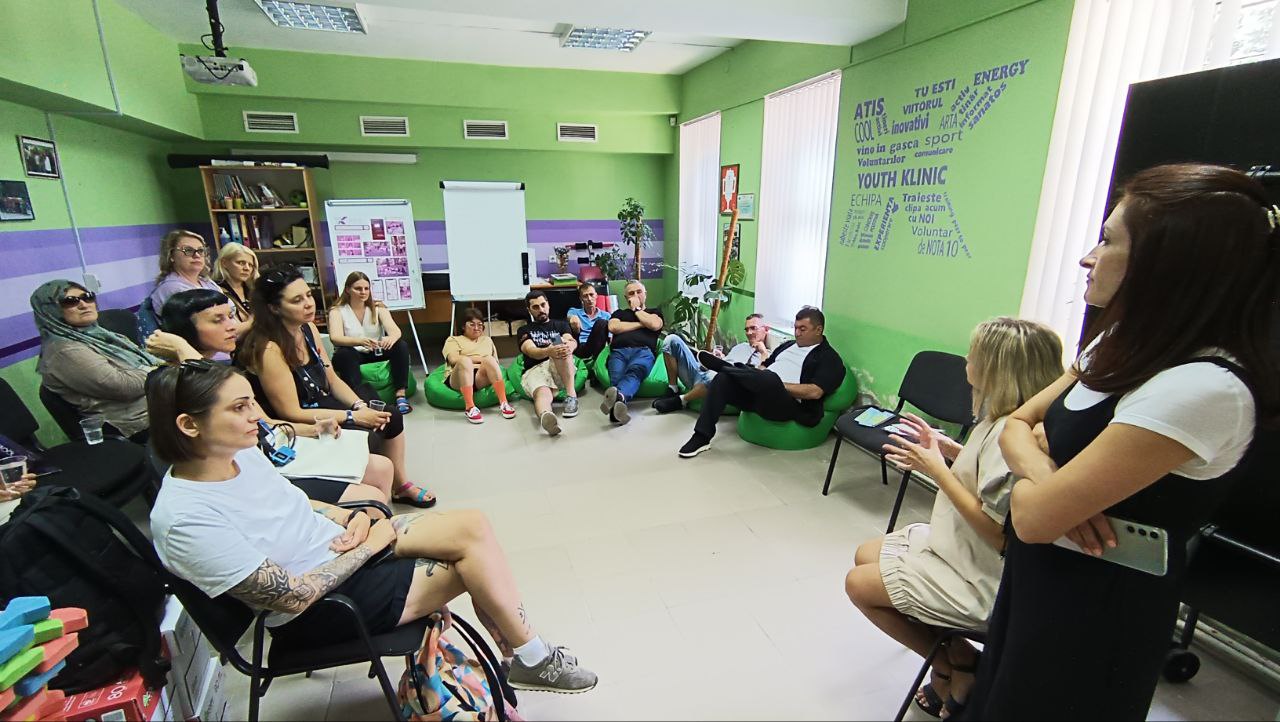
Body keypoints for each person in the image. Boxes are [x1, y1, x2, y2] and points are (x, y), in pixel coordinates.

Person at [956, 164, 1278, 720]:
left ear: (1166, 266)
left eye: (1107, 241)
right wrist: (1054, 481)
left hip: (1097, 609)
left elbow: (1031, 517)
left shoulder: (1203, 387)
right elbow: (1015, 423)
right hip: (1040, 578)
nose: (1088, 258)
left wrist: (1042, 482)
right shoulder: (1117, 342)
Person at [145, 362, 598, 693]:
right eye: (240, 407)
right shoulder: (185, 518)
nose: (257, 416)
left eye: (252, 402)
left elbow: (293, 502)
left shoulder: (238, 453)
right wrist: (369, 543)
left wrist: (352, 517)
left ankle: (524, 654)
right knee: (471, 564)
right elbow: (290, 598)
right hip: (317, 611)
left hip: (340, 551)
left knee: (472, 526)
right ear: (189, 425)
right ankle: (531, 656)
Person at [843, 318, 1063, 718]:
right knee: (864, 554)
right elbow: (985, 480)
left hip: (983, 576)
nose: (966, 361)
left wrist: (935, 469)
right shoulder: (999, 418)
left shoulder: (1014, 434)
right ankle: (961, 655)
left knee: (858, 585)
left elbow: (1000, 536)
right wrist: (947, 450)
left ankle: (949, 668)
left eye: (973, 356)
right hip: (959, 545)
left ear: (997, 369)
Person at [147, 289, 394, 510]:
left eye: (230, 316)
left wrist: (312, 429)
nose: (232, 326)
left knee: (382, 468)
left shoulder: (220, 369)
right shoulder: (170, 382)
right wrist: (181, 347)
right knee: (371, 496)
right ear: (186, 330)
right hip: (248, 477)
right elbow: (208, 389)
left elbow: (263, 422)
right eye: (217, 320)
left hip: (271, 452)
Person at [236, 265, 436, 508]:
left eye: (308, 295)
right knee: (369, 420)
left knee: (389, 414)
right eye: (297, 300)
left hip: (320, 399)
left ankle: (400, 485)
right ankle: (367, 482)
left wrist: (359, 406)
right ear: (274, 308)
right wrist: (354, 416)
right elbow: (291, 412)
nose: (308, 304)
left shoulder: (307, 329)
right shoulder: (270, 349)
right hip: (302, 417)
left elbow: (331, 378)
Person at [678, 306, 845, 458]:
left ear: (818, 330)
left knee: (770, 378)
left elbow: (814, 392)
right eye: (795, 328)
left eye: (803, 329)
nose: (797, 333)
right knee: (722, 379)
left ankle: (727, 367)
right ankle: (701, 437)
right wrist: (758, 376)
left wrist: (777, 384)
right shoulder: (788, 345)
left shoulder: (829, 358)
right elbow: (764, 365)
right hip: (759, 394)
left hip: (786, 405)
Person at [32, 280, 158, 442]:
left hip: (157, 404)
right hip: (137, 424)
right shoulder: (64, 351)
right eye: (70, 301)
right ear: (49, 310)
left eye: (88, 297)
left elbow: (149, 360)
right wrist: (159, 370)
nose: (84, 304)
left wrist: (157, 367)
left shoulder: (99, 334)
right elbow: (123, 386)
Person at [327, 272, 414, 415]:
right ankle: (359, 400)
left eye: (366, 288)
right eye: (358, 289)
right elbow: (335, 338)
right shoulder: (337, 311)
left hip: (375, 351)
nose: (363, 292)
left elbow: (395, 331)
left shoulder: (378, 307)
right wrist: (360, 341)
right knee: (344, 354)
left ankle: (400, 395)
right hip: (353, 353)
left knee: (401, 345)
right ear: (348, 289)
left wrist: (390, 339)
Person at [653, 313, 772, 414]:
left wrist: (763, 353)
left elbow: (761, 378)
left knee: (719, 375)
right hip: (702, 373)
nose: (749, 333)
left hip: (718, 382)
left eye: (753, 328)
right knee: (671, 340)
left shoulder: (769, 356)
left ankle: (681, 401)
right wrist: (720, 357)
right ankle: (673, 389)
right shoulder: (740, 346)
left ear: (766, 329)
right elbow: (728, 361)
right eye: (747, 329)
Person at [600, 280, 664, 425]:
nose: (635, 295)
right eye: (631, 293)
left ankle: (616, 403)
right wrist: (642, 324)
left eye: (639, 292)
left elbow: (654, 324)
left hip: (643, 351)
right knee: (616, 377)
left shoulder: (654, 312)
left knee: (635, 371)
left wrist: (637, 310)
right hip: (619, 351)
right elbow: (614, 327)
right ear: (626, 298)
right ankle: (619, 403)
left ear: (645, 294)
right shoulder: (619, 313)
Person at [517, 291, 579, 436]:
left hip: (560, 367)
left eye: (543, 305)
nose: (541, 309)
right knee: (542, 394)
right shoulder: (524, 330)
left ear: (548, 305)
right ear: (529, 310)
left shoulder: (561, 324)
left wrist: (569, 346)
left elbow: (570, 340)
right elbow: (530, 350)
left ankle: (571, 396)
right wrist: (548, 351)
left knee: (561, 345)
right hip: (535, 369)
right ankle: (546, 416)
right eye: (535, 307)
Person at [441, 309, 515, 424]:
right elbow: (453, 359)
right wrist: (480, 359)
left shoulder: (487, 340)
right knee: (465, 361)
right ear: (463, 326)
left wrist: (485, 360)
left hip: (480, 376)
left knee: (489, 360)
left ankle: (504, 403)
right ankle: (470, 407)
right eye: (472, 324)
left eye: (480, 325)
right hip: (459, 376)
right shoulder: (453, 340)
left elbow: (495, 363)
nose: (476, 328)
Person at [149, 230, 222, 316]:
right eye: (188, 250)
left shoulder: (207, 282)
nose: (197, 255)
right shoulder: (171, 289)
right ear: (171, 255)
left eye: (200, 250)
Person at [210, 242, 258, 327]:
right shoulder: (215, 291)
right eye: (241, 263)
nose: (247, 268)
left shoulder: (254, 289)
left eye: (250, 265)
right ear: (224, 263)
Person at [567, 282, 611, 360]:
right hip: (580, 346)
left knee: (602, 323)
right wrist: (572, 318)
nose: (589, 299)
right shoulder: (574, 312)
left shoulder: (606, 315)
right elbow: (569, 317)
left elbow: (610, 338)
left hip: (598, 346)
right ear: (581, 299)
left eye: (591, 295)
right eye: (585, 296)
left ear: (596, 295)